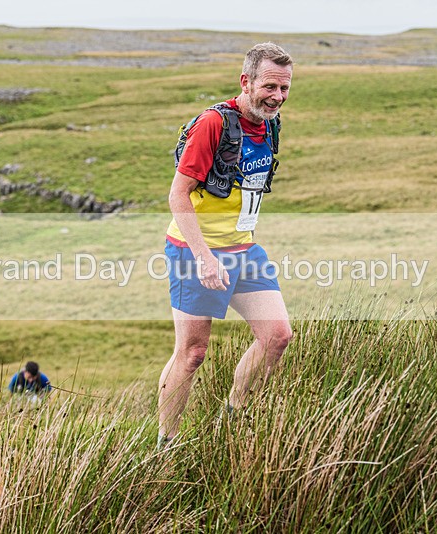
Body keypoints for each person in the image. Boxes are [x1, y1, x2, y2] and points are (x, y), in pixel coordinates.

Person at [158, 43, 294, 446]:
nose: (278, 97)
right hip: (193, 250)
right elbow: (178, 195)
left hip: (243, 248)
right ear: (246, 82)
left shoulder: (270, 123)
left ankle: (230, 420)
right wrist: (204, 258)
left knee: (278, 336)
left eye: (285, 88)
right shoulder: (213, 124)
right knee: (193, 353)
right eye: (269, 86)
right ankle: (165, 445)